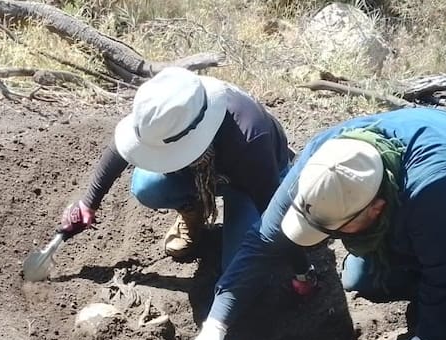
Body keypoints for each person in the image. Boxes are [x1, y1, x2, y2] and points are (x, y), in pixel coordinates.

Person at [185, 107, 446, 340]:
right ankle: (424, 264)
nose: (325, 237)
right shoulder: (325, 165)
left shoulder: (439, 188)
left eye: (333, 229)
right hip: (429, 192)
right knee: (361, 280)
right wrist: (215, 324)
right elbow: (262, 242)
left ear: (376, 209)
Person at [58, 67, 306, 282]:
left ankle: (238, 222)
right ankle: (193, 212)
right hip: (208, 173)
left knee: (238, 270)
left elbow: (273, 209)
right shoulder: (168, 107)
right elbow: (120, 150)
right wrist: (88, 203)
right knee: (147, 186)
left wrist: (302, 271)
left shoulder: (249, 138)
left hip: (252, 183)